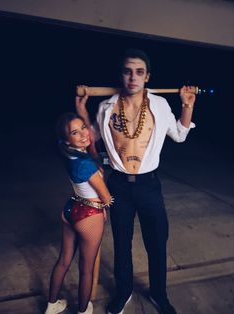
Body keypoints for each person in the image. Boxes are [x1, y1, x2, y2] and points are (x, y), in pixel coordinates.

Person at [76, 48, 196, 314]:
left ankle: (159, 294)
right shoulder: (106, 106)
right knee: (122, 242)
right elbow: (92, 140)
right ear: (121, 75)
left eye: (139, 72)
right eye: (127, 71)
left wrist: (187, 105)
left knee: (156, 242)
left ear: (147, 76)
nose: (133, 77)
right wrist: (82, 110)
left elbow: (179, 135)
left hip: (148, 185)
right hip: (117, 184)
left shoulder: (159, 105)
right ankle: (124, 291)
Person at [44, 112, 113, 314]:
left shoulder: (72, 154)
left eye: (84, 127)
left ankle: (52, 305)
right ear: (67, 140)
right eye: (75, 132)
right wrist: (105, 207)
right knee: (86, 269)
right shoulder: (86, 164)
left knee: (64, 260)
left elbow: (90, 142)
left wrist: (81, 106)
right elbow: (106, 197)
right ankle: (83, 310)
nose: (84, 134)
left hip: (71, 208)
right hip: (89, 216)